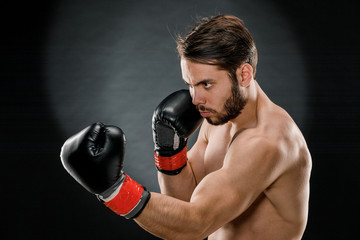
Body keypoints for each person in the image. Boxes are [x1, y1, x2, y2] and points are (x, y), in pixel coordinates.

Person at [60, 15, 312, 240]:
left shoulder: (269, 142)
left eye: (206, 84)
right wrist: (171, 151)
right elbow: (183, 202)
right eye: (190, 84)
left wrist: (115, 190)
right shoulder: (220, 116)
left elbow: (194, 226)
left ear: (244, 75)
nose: (195, 99)